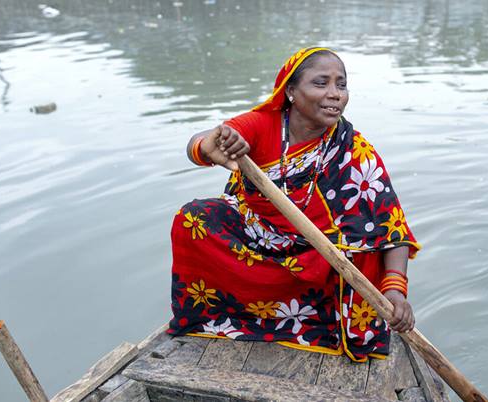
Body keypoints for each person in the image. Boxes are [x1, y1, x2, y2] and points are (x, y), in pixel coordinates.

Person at [167, 47, 420, 361]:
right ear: (290, 91)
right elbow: (207, 141)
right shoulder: (264, 124)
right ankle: (231, 312)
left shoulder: (356, 151)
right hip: (258, 242)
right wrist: (212, 143)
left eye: (341, 85)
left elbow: (390, 227)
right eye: (320, 83)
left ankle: (317, 322)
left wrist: (395, 289)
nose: (335, 94)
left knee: (361, 253)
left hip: (317, 261)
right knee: (193, 219)